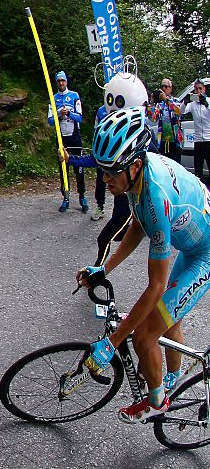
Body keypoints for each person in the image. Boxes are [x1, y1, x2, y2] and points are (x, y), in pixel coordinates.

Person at [77, 106, 210, 423]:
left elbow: (155, 287)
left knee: (145, 336)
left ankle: (157, 402)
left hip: (205, 256)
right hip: (193, 245)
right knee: (169, 319)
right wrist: (105, 268)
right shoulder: (138, 180)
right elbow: (138, 226)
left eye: (111, 172)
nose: (105, 179)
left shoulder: (156, 197)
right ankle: (169, 380)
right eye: (102, 170)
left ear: (134, 165)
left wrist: (112, 342)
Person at [62, 71, 150, 266]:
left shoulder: (144, 141)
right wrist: (71, 160)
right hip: (127, 202)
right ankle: (99, 271)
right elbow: (96, 159)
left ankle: (98, 271)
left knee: (107, 238)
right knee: (114, 236)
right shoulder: (114, 135)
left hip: (137, 204)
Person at [48, 70, 87, 213]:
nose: (61, 83)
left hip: (74, 136)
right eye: (59, 81)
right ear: (56, 83)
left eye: (63, 81)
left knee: (79, 167)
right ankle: (66, 197)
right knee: (63, 168)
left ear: (66, 82)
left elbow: (80, 118)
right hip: (61, 137)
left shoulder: (74, 96)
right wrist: (59, 113)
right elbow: (50, 121)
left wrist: (69, 113)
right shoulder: (54, 98)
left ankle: (82, 196)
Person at [181, 79, 210, 186]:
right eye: (196, 89)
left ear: (204, 89)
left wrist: (206, 104)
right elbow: (182, 111)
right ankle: (201, 192)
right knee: (198, 171)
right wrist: (185, 102)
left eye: (200, 89)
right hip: (198, 141)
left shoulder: (209, 101)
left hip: (208, 140)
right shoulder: (192, 104)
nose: (198, 91)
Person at [148, 79, 183, 163]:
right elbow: (152, 119)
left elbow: (178, 112)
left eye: (166, 86)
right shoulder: (159, 105)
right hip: (163, 141)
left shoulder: (176, 101)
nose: (163, 88)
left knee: (176, 165)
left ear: (170, 89)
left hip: (175, 141)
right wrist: (152, 103)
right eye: (162, 86)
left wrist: (166, 100)